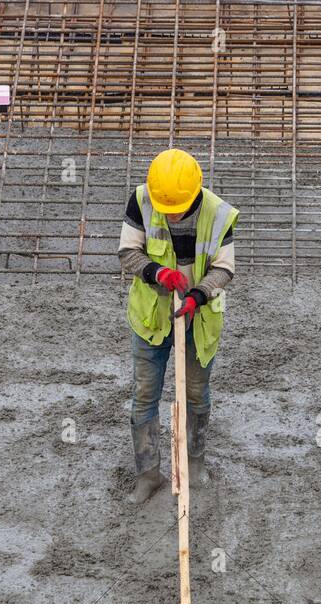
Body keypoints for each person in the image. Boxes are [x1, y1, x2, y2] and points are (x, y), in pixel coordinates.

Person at [117, 148, 238, 502]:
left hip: (198, 319)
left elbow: (224, 268)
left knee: (197, 394)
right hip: (150, 317)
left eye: (179, 209)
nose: (171, 214)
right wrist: (157, 272)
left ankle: (194, 462)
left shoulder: (217, 213)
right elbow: (128, 252)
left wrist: (198, 295)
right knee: (144, 395)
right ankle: (148, 473)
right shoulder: (142, 200)